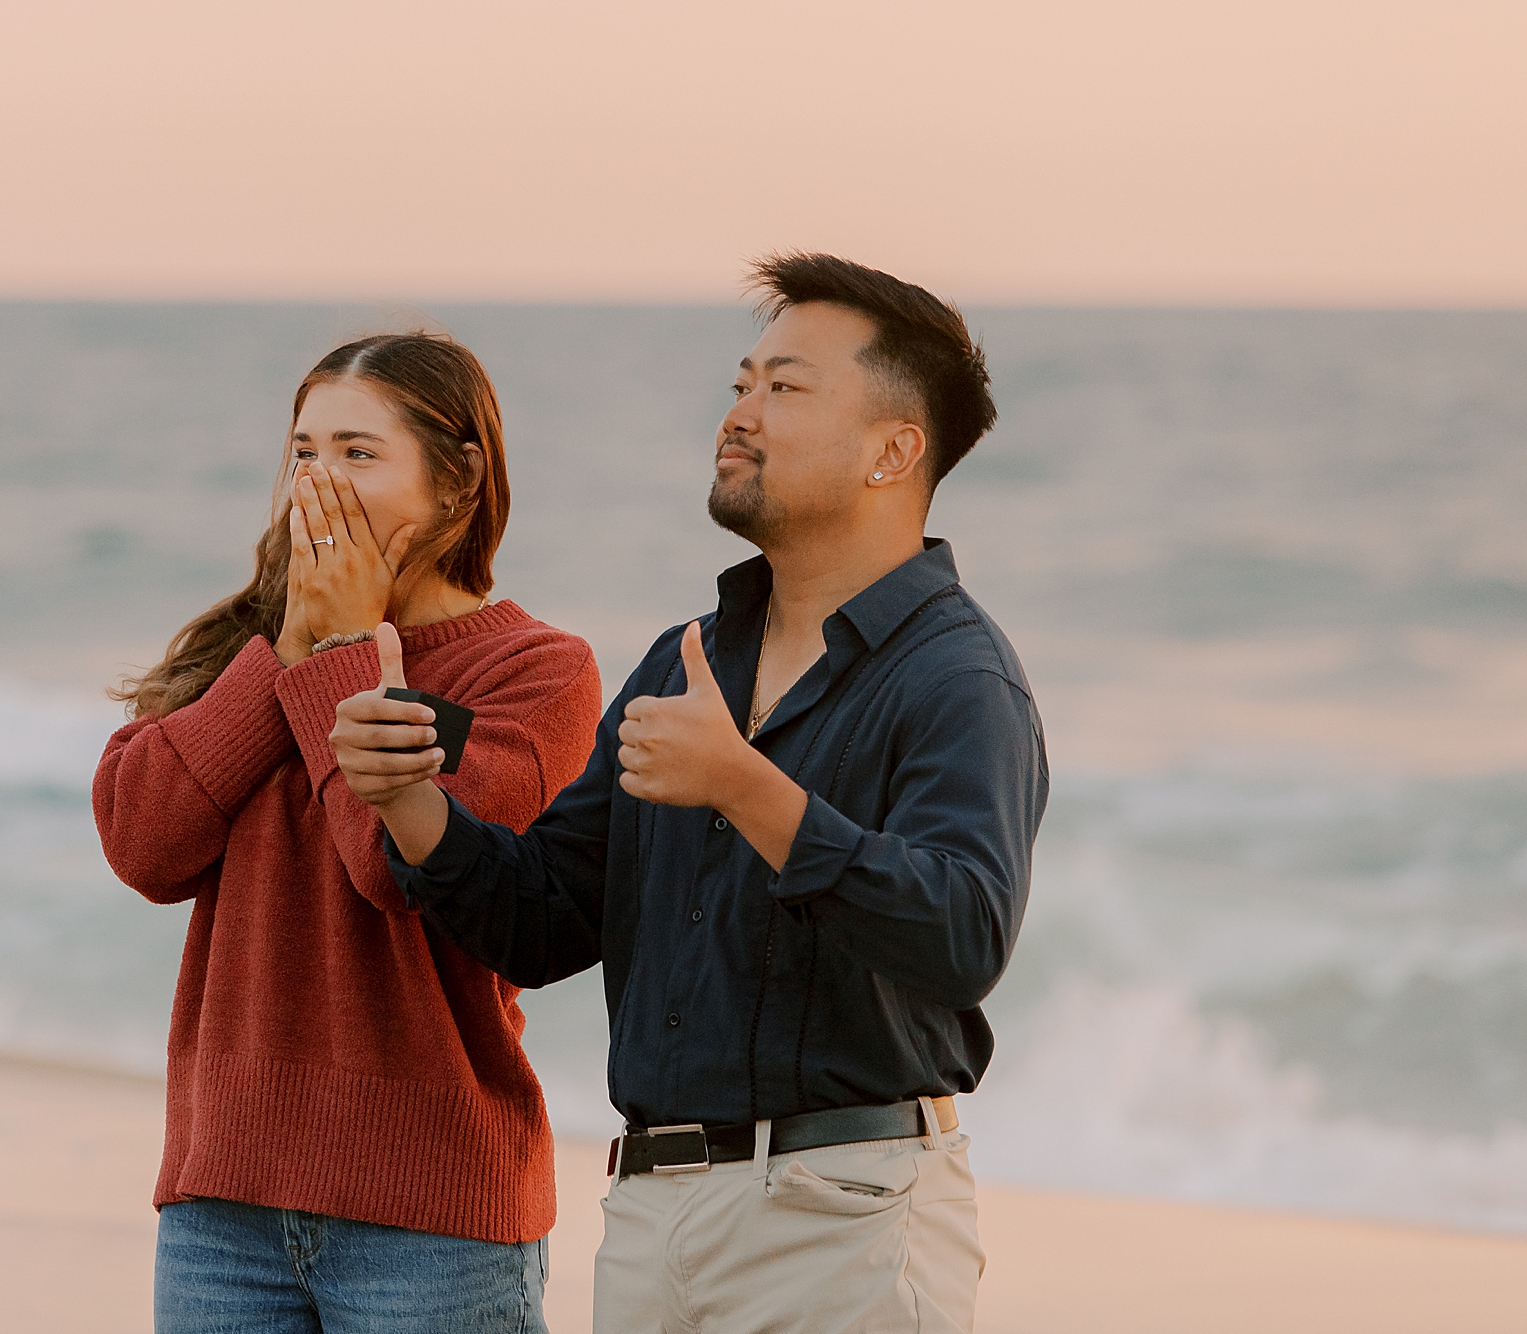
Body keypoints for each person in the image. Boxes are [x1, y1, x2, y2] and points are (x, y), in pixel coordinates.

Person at [331, 255, 1047, 1332]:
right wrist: (407, 800)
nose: (740, 412)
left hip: (843, 1217)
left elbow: (963, 930)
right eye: (740, 383)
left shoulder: (955, 675)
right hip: (650, 1218)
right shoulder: (686, 659)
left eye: (785, 387)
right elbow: (545, 917)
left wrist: (746, 789)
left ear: (892, 452)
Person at [94, 333, 601, 1333]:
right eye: (303, 451)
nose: (318, 481)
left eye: (358, 453)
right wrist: (281, 651)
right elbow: (141, 841)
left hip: (432, 1220)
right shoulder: (241, 646)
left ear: (458, 481)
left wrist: (336, 648)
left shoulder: (535, 672)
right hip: (220, 1203)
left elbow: (393, 862)